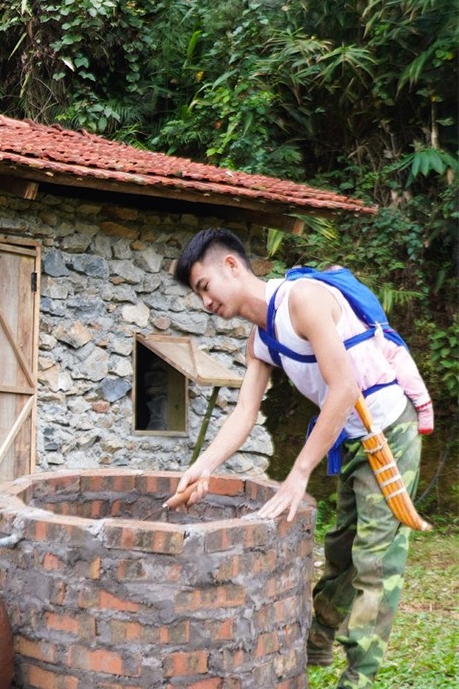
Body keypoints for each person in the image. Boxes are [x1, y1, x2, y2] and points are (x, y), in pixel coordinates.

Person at [171, 228, 423, 689]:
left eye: (204, 286)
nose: (204, 302)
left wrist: (298, 474)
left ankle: (358, 679)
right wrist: (202, 466)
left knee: (375, 558)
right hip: (352, 438)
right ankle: (317, 643)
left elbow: (344, 387)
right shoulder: (260, 340)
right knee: (342, 548)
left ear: (231, 266)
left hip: (390, 428)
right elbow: (244, 413)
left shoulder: (301, 299)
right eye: (197, 294)